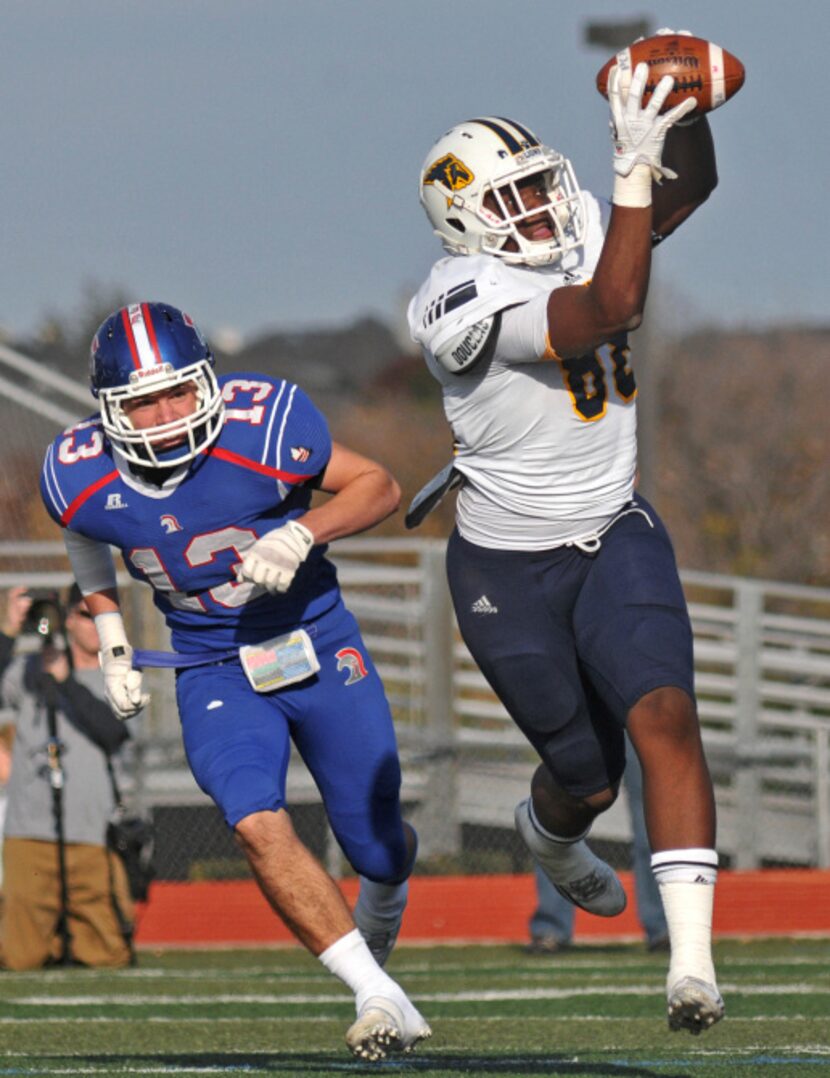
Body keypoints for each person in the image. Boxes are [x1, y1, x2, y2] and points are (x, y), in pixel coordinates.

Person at [406, 35, 725, 1035]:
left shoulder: (584, 215)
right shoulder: (453, 298)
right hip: (508, 568)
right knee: (583, 775)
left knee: (664, 717)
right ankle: (547, 839)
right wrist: (630, 169)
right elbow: (606, 306)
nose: (541, 208)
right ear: (463, 222)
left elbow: (691, 185)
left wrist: (682, 111)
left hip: (613, 525)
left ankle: (690, 968)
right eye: (511, 200)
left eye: (543, 185)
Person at [39, 302, 430, 1061]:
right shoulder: (78, 469)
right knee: (252, 818)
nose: (164, 415)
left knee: (376, 844)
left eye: (178, 392)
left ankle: (385, 895)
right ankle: (375, 992)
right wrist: (113, 635)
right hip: (212, 662)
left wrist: (301, 529)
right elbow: (84, 533)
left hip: (314, 640)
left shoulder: (265, 426)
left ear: (207, 383)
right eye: (142, 401)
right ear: (109, 410)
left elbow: (380, 486)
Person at [0, 584, 134, 969]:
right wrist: (9, 632)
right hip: (29, 829)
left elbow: (115, 733)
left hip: (92, 829)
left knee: (108, 955)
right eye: (85, 615)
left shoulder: (121, 673)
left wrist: (66, 682)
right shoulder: (27, 670)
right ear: (66, 620)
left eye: (105, 618)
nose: (96, 627)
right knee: (19, 957)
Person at [528, 737, 668, 954]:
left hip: (635, 711)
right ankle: (551, 928)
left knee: (652, 820)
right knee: (556, 816)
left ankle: (663, 929)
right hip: (581, 712)